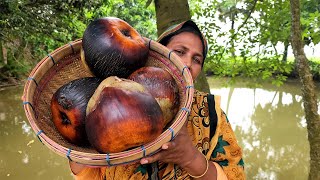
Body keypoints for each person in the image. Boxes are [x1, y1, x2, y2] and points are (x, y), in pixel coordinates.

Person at [69, 20, 245, 180]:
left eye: (197, 59)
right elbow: (89, 176)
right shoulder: (112, 95)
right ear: (161, 56)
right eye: (179, 51)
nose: (187, 63)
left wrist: (191, 158)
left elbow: (235, 176)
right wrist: (83, 143)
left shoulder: (211, 111)